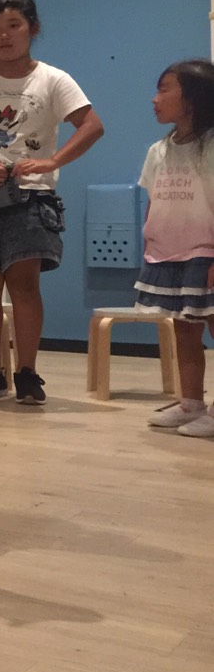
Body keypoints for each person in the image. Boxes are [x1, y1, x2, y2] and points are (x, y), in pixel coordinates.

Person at [0, 0, 103, 405]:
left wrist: (52, 161)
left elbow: (91, 125)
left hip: (31, 195)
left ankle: (27, 372)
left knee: (25, 284)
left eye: (13, 25)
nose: (4, 35)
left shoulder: (53, 79)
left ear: (33, 28)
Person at [137, 59, 214, 438]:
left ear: (194, 97)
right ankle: (190, 403)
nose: (155, 99)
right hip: (169, 253)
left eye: (165, 89)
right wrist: (150, 240)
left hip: (206, 254)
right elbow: (153, 199)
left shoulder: (211, 146)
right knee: (184, 332)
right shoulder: (158, 150)